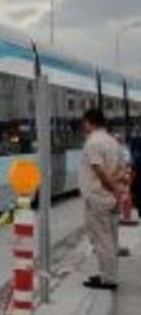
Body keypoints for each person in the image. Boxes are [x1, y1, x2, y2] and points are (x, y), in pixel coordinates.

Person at [80, 108, 124, 290]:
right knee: (111, 237)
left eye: (84, 122)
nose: (83, 126)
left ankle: (107, 279)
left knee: (101, 238)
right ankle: (109, 274)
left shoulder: (93, 142)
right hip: (111, 197)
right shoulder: (113, 141)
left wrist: (111, 188)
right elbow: (121, 169)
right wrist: (117, 191)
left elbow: (99, 170)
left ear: (89, 121)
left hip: (98, 197)